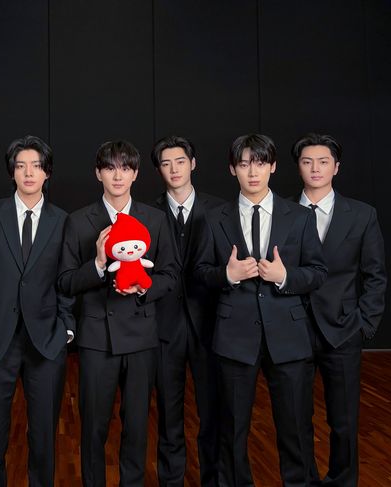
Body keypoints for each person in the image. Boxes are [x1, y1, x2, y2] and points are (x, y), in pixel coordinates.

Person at [194, 133, 327, 486]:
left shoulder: (299, 216)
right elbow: (200, 272)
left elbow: (318, 272)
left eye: (260, 163)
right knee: (232, 428)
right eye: (244, 164)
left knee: (295, 428)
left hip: (288, 335)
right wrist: (228, 275)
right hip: (234, 336)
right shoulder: (213, 217)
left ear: (273, 166)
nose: (253, 172)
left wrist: (285, 277)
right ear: (232, 169)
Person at [58, 140, 177, 487]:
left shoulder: (155, 219)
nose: (118, 175)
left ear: (136, 174)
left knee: (137, 426)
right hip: (97, 338)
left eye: (125, 168)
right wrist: (97, 264)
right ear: (98, 173)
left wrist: (143, 288)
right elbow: (66, 281)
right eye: (110, 168)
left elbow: (170, 275)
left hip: (141, 337)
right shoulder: (78, 221)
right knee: (93, 427)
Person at [0, 135, 75, 486]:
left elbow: (67, 278)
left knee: (44, 431)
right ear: (12, 172)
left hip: (46, 339)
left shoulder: (62, 220)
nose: (28, 173)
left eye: (36, 166)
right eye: (21, 166)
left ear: (47, 173)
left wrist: (66, 327)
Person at [292, 133, 386, 486]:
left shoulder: (362, 215)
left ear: (336, 167)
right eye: (307, 161)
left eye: (323, 161)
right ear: (298, 167)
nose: (315, 168)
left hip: (344, 330)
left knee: (344, 421)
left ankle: (343, 481)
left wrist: (364, 324)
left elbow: (375, 275)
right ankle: (303, 480)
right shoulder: (282, 211)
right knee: (295, 419)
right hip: (293, 329)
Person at [150, 135, 223, 486]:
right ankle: (171, 480)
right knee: (168, 413)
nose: (174, 169)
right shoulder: (148, 213)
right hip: (164, 326)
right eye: (166, 163)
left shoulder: (220, 210)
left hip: (209, 324)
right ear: (159, 170)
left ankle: (213, 479)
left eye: (180, 161)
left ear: (193, 164)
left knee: (213, 413)